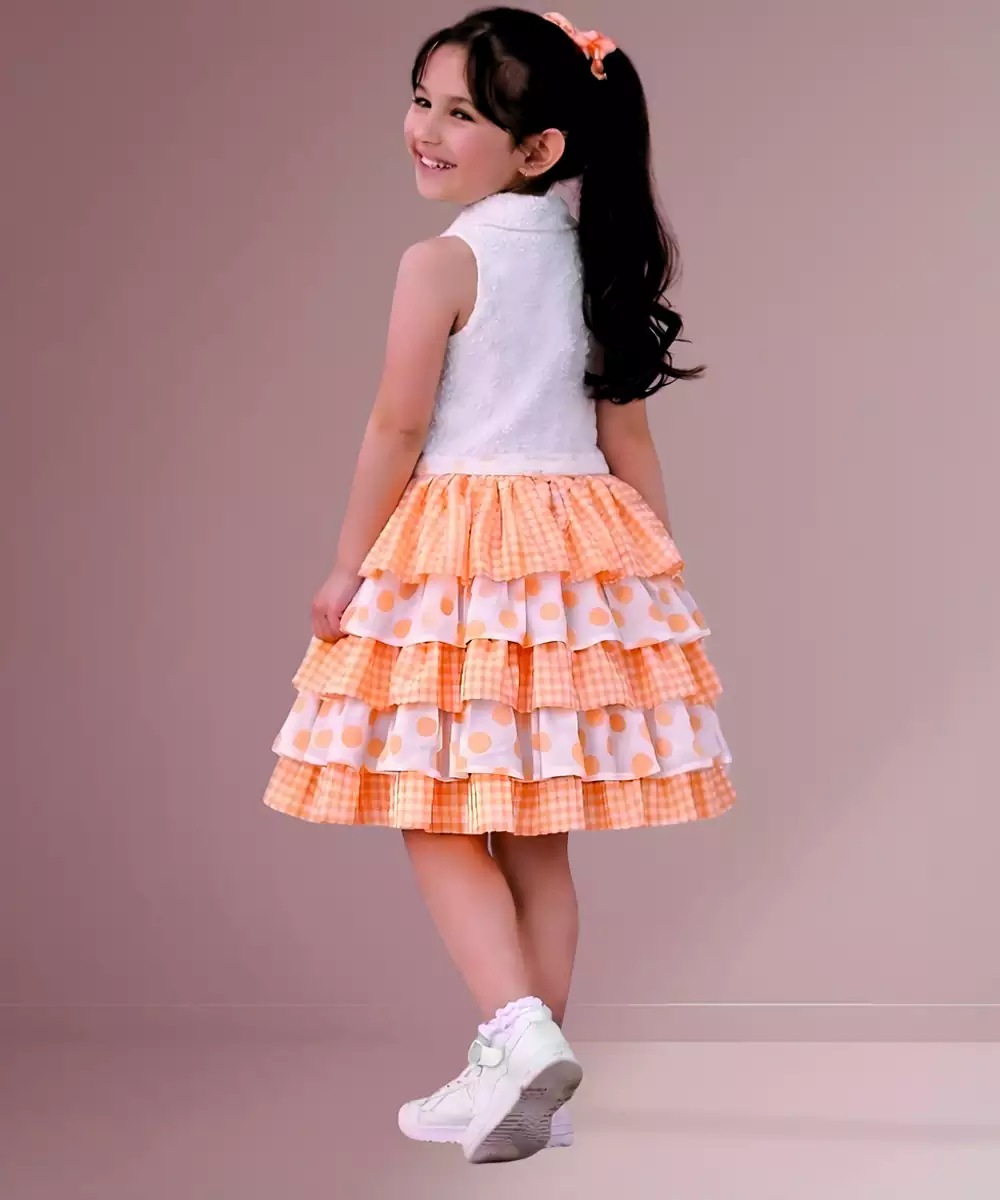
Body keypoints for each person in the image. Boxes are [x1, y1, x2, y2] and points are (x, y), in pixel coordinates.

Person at [262, 6, 735, 1165]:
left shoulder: (442, 263)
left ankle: (515, 1033)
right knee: (537, 838)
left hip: (462, 550)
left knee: (433, 808)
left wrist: (347, 563)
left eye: (460, 113)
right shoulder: (594, 262)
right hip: (575, 553)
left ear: (538, 148)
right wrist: (651, 586)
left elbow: (397, 424)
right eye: (420, 100)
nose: (425, 129)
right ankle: (532, 1083)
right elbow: (627, 440)